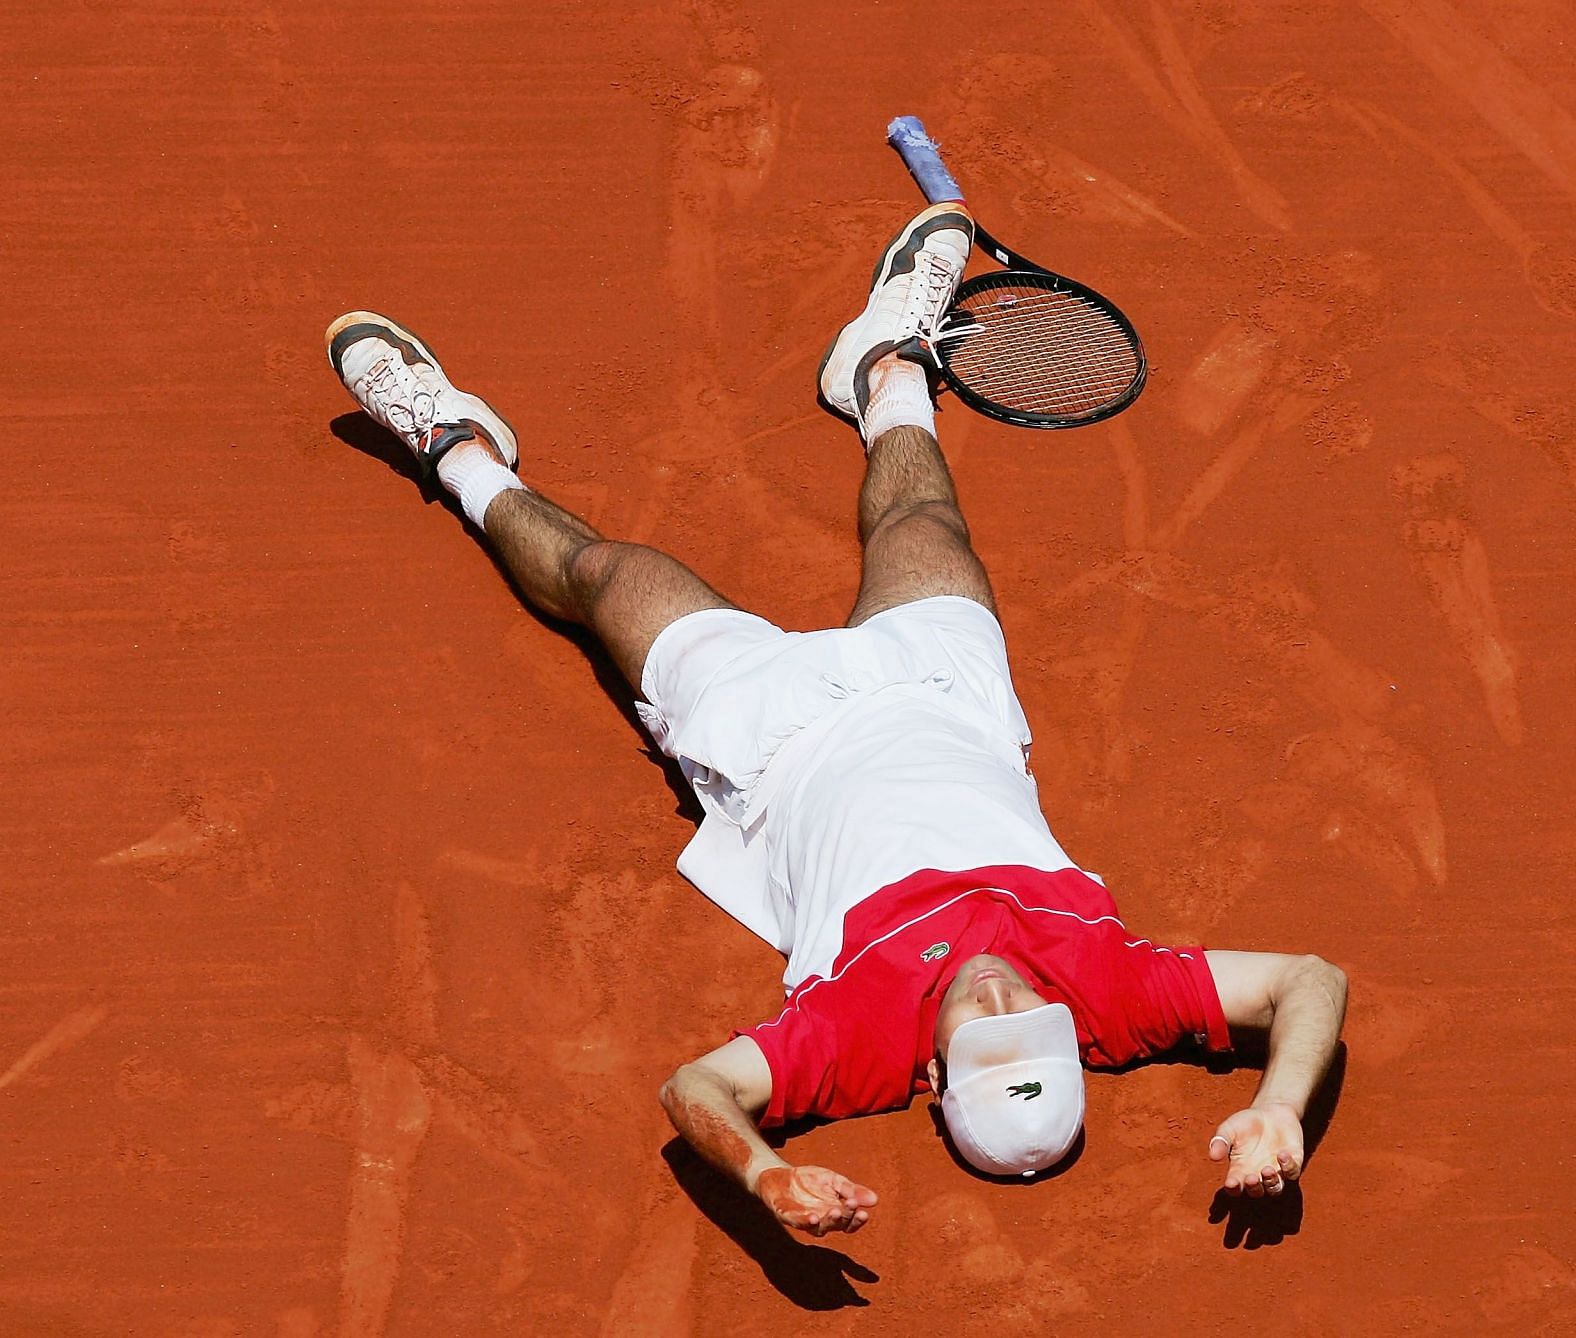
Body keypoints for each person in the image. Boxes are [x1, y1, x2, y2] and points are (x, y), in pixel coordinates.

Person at [325, 202, 1347, 1238]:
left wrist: (765, 1175)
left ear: (939, 1079)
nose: (999, 1005)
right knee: (923, 519)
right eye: (1028, 1029)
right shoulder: (1110, 997)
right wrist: (1279, 1106)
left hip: (771, 739)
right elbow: (1309, 981)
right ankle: (887, 362)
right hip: (945, 696)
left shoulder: (855, 1040)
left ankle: (454, 446)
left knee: (606, 577)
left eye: (983, 1042)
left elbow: (696, 1091)